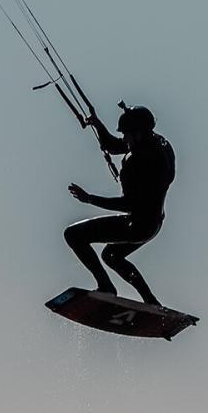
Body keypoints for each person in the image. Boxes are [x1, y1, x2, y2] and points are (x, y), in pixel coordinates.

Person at [64, 103, 175, 304]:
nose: (124, 139)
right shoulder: (158, 144)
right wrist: (97, 125)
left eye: (127, 135)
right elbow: (114, 146)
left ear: (139, 134)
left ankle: (106, 287)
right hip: (153, 223)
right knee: (111, 255)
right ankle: (151, 301)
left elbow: (129, 205)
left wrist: (89, 199)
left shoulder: (139, 162)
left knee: (73, 235)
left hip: (138, 226)